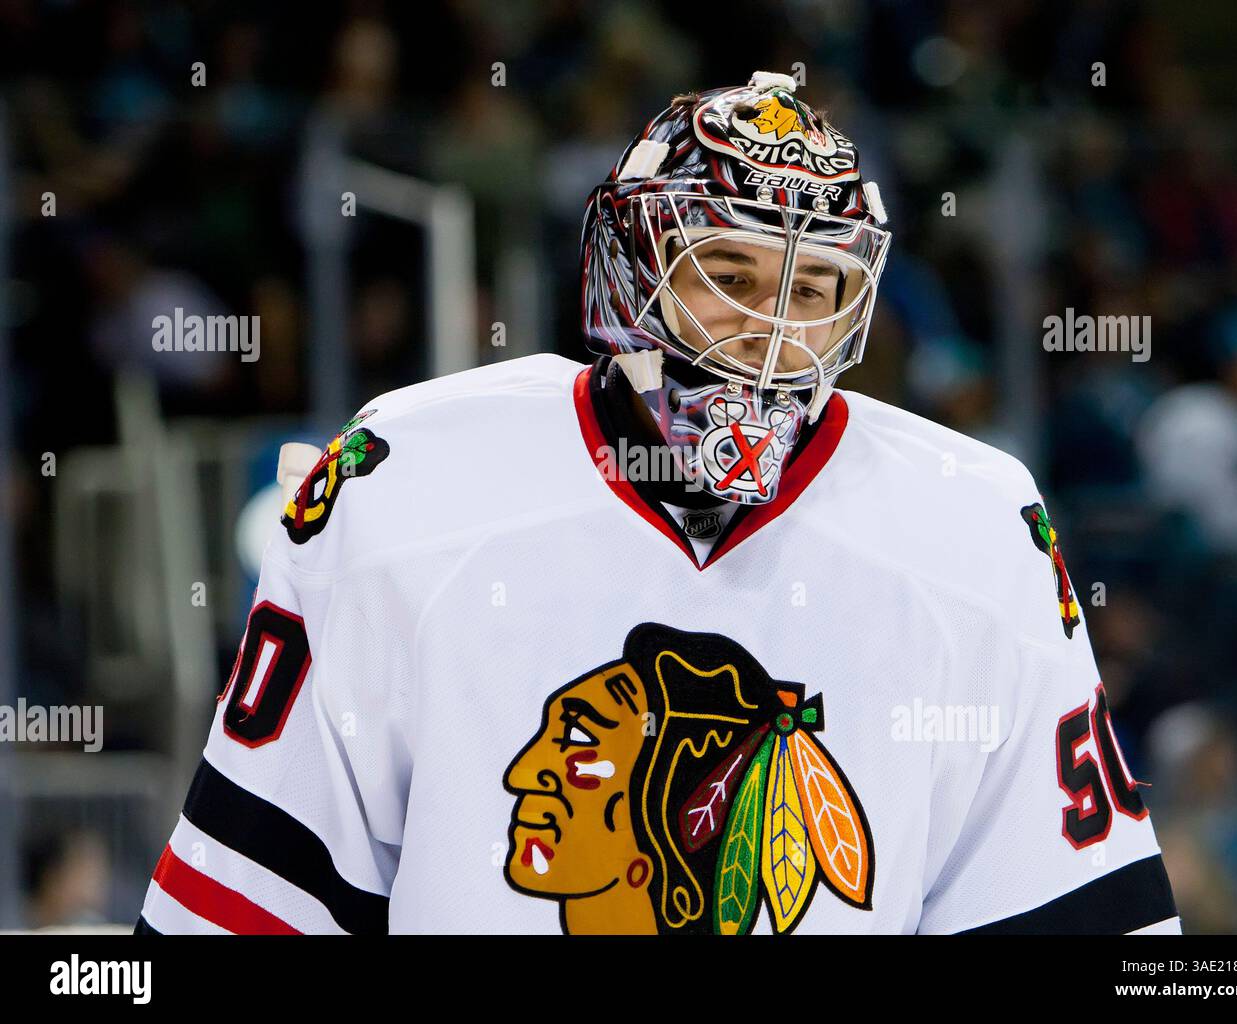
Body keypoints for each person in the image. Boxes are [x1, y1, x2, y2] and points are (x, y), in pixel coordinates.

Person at [137, 72, 1177, 934]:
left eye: (809, 292)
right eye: (725, 271)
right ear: (628, 274)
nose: (769, 337)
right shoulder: (406, 480)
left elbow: (1072, 916)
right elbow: (245, 906)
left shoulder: (973, 526)